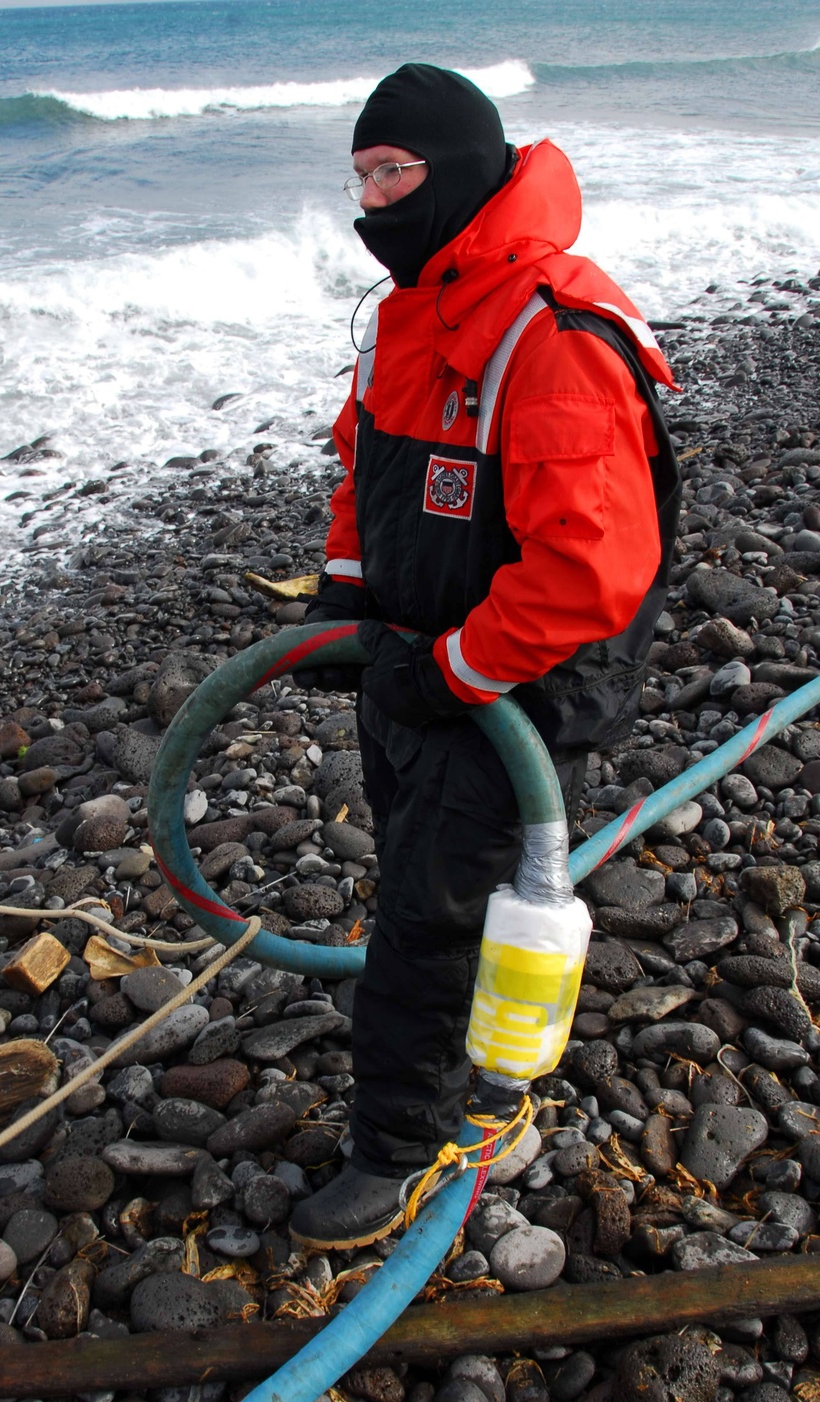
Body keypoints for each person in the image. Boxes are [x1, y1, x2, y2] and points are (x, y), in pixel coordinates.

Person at [288, 64, 681, 1251]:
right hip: (418, 662)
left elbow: (586, 570)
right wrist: (350, 593)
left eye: (392, 171)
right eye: (358, 174)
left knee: (427, 910)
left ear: (454, 173)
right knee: (418, 867)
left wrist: (457, 670)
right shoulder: (413, 312)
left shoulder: (549, 332)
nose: (370, 199)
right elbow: (367, 467)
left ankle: (404, 1151)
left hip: (529, 680)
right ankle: (475, 1081)